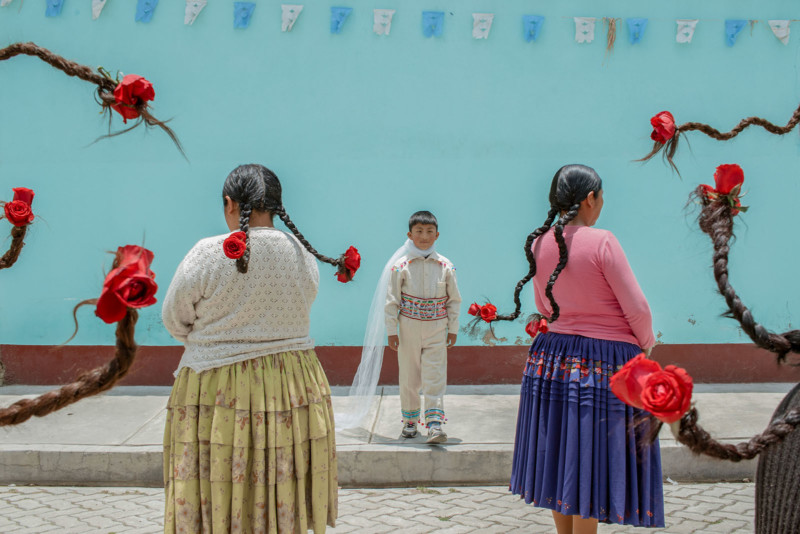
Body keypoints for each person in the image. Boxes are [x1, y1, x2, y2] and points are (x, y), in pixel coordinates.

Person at [161, 164, 358, 533]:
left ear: (229, 203)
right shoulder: (302, 254)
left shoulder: (207, 253)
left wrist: (213, 338)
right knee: (282, 476)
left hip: (217, 385)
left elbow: (175, 317)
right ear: (278, 206)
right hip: (294, 382)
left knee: (220, 474)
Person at [489, 165, 663, 532]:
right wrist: (645, 345)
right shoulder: (603, 241)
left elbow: (545, 304)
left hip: (552, 357)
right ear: (590, 199)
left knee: (562, 454)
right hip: (605, 360)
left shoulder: (539, 243)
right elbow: (637, 308)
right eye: (600, 198)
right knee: (590, 458)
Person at [385, 211, 461, 444]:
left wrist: (452, 328)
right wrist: (391, 331)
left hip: (437, 328)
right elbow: (391, 301)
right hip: (408, 328)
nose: (424, 236)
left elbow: (454, 300)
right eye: (419, 231)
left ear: (437, 235)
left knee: (435, 374)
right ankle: (410, 421)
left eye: (429, 232)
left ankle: (435, 424)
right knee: (409, 375)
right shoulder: (401, 267)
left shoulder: (446, 265)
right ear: (410, 234)